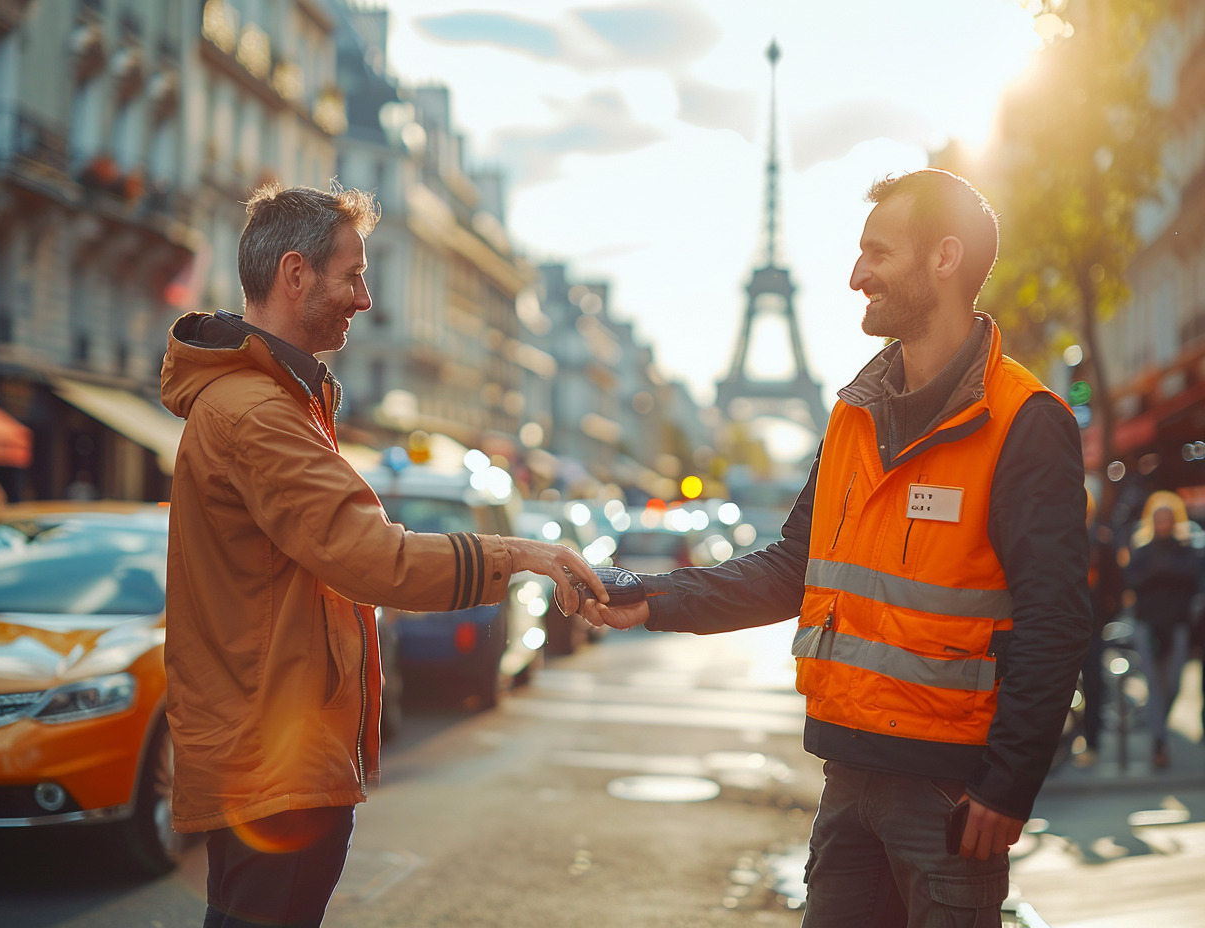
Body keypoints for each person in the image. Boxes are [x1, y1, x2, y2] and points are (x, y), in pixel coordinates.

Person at [582, 169, 1091, 928]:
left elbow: (1056, 620)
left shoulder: (1025, 421)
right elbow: (795, 564)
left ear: (944, 259)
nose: (855, 276)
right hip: (847, 780)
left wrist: (1007, 785)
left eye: (877, 253)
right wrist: (651, 595)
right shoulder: (855, 415)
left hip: (948, 796)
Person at [160, 181, 607, 928]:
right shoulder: (258, 412)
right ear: (295, 273)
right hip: (274, 755)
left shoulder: (279, 400)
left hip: (282, 746)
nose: (365, 298)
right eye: (354, 274)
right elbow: (373, 557)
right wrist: (521, 554)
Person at [1122, 489, 1200, 768]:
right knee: (1155, 685)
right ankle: (1159, 741)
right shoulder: (1142, 551)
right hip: (1148, 626)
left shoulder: (1187, 551)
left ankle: (1158, 725)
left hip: (1176, 625)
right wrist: (1163, 573)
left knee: (1174, 684)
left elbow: (1192, 579)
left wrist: (1163, 572)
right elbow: (1132, 581)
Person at [1077, 488, 1123, 766]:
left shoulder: (1101, 542)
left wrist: (1106, 615)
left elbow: (1115, 584)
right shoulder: (1060, 542)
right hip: (1065, 625)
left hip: (1093, 626)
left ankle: (1091, 742)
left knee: (1094, 685)